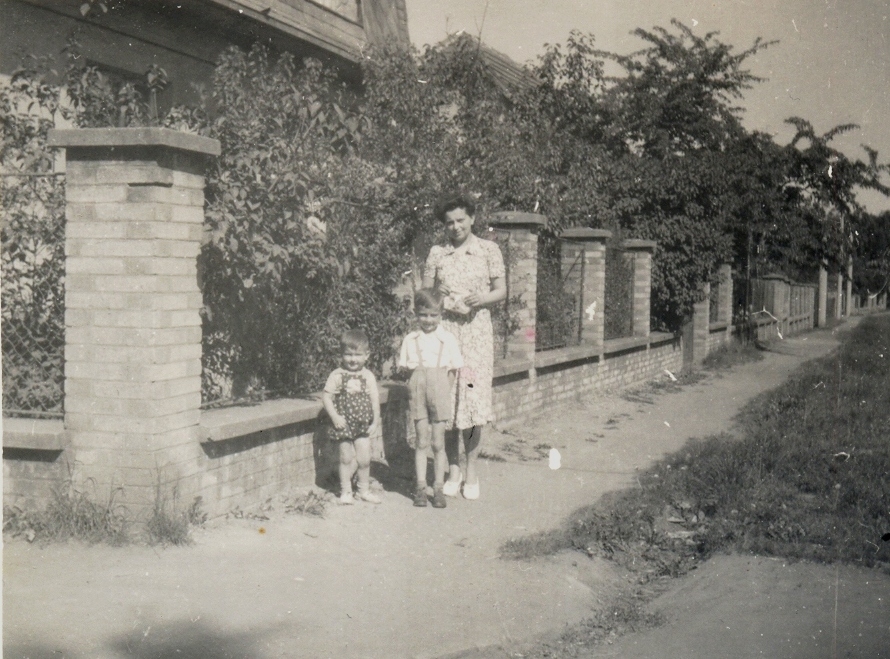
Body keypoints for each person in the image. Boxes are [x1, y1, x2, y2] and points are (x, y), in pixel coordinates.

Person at [423, 193, 506, 500]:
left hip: (476, 335)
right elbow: (424, 295)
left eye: (460, 220)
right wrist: (437, 290)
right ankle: (453, 470)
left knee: (471, 401)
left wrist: (481, 299)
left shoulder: (488, 250)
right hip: (445, 334)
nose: (455, 227)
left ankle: (471, 470)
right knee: (445, 403)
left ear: (472, 218)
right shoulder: (437, 253)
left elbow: (501, 291)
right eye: (449, 223)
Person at [398, 289, 464, 508]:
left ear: (441, 314)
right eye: (423, 315)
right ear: (416, 313)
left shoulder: (447, 339)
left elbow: (453, 370)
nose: (428, 320)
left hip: (440, 390)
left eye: (433, 315)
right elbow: (408, 371)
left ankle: (438, 488)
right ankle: (420, 487)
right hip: (418, 390)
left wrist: (443, 390)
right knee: (421, 441)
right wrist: (416, 387)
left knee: (438, 443)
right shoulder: (410, 339)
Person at [321, 330, 382, 505]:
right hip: (344, 424)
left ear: (366, 355)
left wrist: (375, 421)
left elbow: (375, 400)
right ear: (341, 355)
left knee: (364, 459)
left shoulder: (368, 376)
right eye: (348, 354)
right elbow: (326, 397)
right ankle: (346, 491)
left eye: (357, 355)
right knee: (345, 458)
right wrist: (335, 417)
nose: (353, 359)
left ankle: (363, 490)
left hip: (362, 423)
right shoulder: (337, 375)